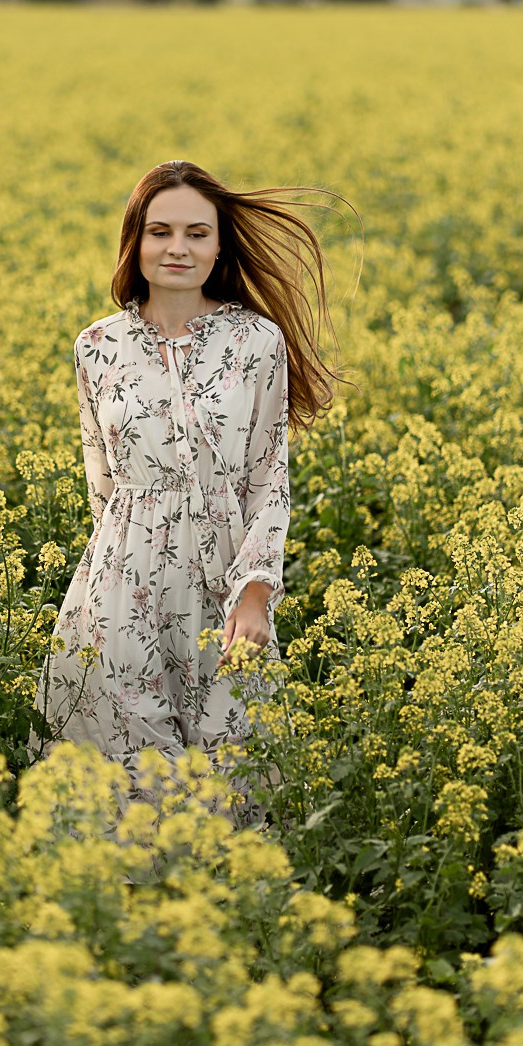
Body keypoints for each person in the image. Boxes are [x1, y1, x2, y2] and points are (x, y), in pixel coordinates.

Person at [37, 160, 339, 789]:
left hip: (225, 579)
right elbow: (103, 485)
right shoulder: (96, 346)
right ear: (135, 242)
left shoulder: (258, 341)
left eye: (197, 233)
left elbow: (267, 476)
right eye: (161, 231)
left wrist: (256, 593)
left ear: (220, 244)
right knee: (128, 772)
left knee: (233, 761)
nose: (178, 248)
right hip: (121, 582)